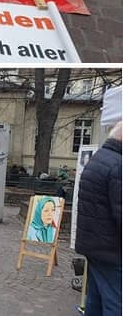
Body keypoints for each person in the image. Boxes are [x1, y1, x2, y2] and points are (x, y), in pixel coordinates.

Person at [75, 122, 121, 314]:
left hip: (94, 245)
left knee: (95, 299)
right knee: (115, 303)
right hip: (111, 249)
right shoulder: (118, 165)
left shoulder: (98, 159)